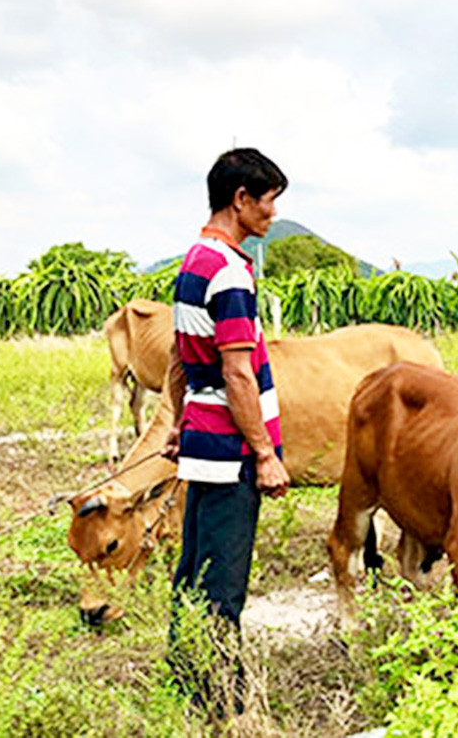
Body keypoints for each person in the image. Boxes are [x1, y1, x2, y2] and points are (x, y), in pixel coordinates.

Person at [163, 147, 292, 716]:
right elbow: (237, 370)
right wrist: (264, 453)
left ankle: (184, 685)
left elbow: (179, 357)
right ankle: (221, 706)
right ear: (241, 200)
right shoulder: (231, 272)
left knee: (193, 572)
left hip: (202, 440)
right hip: (230, 449)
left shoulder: (193, 259)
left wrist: (179, 421)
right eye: (268, 204)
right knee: (223, 586)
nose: (271, 216)